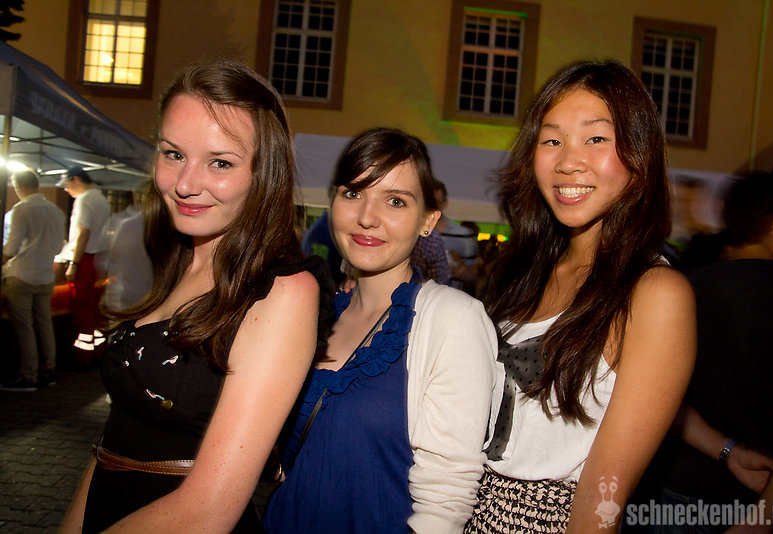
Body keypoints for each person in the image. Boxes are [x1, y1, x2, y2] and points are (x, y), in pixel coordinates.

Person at [58, 58, 331, 533]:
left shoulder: (283, 291)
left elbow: (208, 511)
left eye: (220, 162)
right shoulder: (181, 257)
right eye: (173, 154)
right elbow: (115, 441)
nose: (184, 184)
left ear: (263, 173)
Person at [465, 60, 696, 533]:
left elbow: (602, 496)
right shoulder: (522, 272)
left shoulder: (654, 293)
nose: (568, 162)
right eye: (552, 141)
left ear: (639, 155)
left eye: (596, 138)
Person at [264, 127, 499, 534]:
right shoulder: (312, 314)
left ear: (428, 220)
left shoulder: (452, 320)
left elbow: (445, 501)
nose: (367, 217)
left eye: (395, 201)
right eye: (353, 193)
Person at [650, 173, 773, 532]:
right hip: (770, 495)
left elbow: (658, 395)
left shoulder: (688, 290)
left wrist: (726, 449)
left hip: (685, 486)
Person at [1, 170, 65, 391]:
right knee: (44, 324)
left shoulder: (21, 209)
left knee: (25, 327)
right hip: (45, 276)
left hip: (21, 275)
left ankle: (28, 374)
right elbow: (58, 247)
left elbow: (11, 248)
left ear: (19, 187)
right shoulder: (56, 211)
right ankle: (48, 369)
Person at [56, 166, 111, 365]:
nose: (66, 189)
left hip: (86, 259)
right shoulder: (101, 198)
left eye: (67, 184)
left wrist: (74, 263)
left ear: (76, 179)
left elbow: (83, 233)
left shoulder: (84, 199)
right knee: (95, 310)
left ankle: (82, 357)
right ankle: (98, 353)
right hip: (99, 258)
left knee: (82, 307)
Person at [103, 195, 153, 312]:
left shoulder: (128, 224)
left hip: (129, 295)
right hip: (137, 294)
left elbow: (112, 261)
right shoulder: (131, 224)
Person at [433, 179, 479, 290]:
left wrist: (461, 272)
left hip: (449, 298)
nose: (433, 207)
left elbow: (474, 280)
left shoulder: (464, 235)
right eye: (429, 202)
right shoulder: (411, 233)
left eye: (438, 202)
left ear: (445, 203)